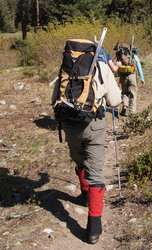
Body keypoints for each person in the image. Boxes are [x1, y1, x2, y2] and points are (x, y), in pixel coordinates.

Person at [51, 54, 121, 244]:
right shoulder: (102, 67)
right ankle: (93, 228)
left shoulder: (67, 66)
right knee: (95, 173)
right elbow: (114, 101)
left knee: (79, 161)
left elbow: (54, 99)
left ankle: (84, 196)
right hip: (94, 125)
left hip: (70, 124)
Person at [114, 43, 145, 116]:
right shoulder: (132, 54)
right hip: (132, 76)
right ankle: (132, 111)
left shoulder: (119, 55)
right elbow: (138, 66)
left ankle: (125, 105)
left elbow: (118, 66)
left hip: (122, 76)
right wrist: (142, 78)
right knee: (133, 93)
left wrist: (119, 78)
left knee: (124, 92)